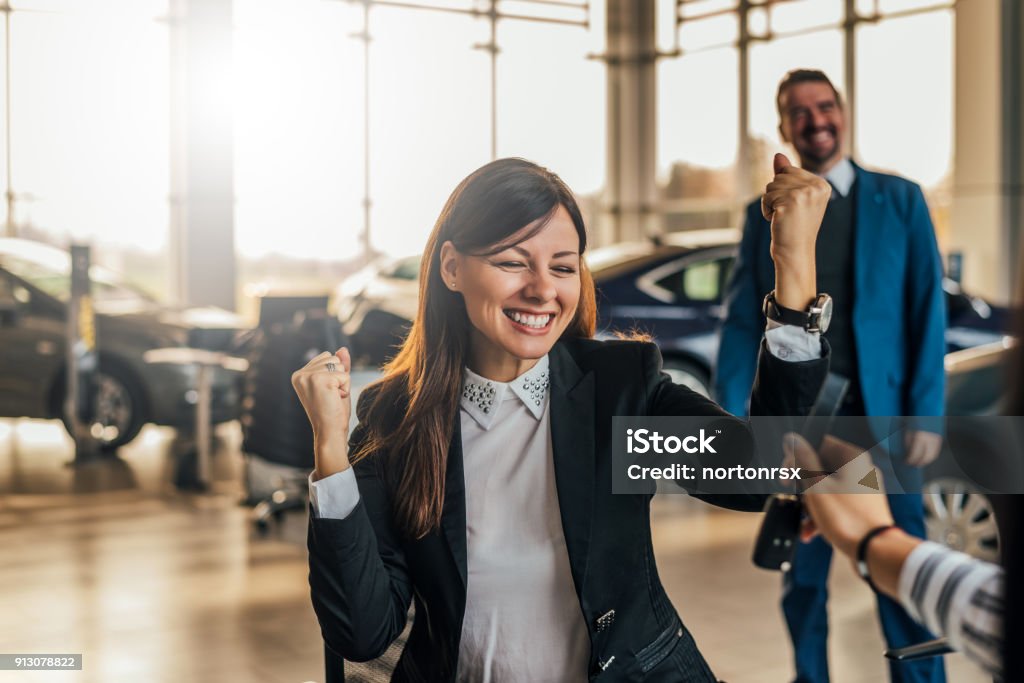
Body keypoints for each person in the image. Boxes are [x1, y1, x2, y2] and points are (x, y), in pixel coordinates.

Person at [292, 155, 832, 682]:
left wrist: (794, 262)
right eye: (512, 262)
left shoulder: (614, 394)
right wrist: (331, 454)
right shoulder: (398, 419)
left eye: (563, 266)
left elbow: (763, 469)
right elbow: (362, 634)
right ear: (452, 267)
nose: (544, 289)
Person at [715, 68, 947, 683]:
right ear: (784, 126)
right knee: (804, 578)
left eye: (825, 106)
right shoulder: (763, 212)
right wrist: (739, 416)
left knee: (906, 570)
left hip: (886, 418)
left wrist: (927, 410)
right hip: (808, 421)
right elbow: (742, 318)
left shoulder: (900, 200)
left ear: (842, 113)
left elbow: (928, 307)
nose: (815, 120)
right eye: (799, 111)